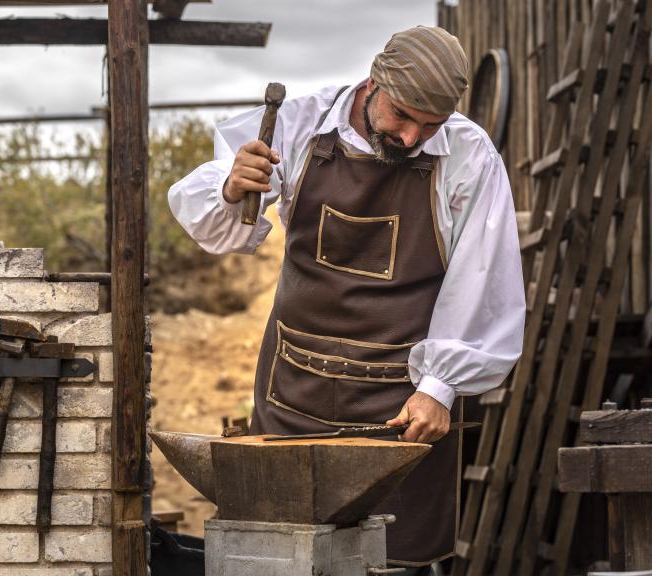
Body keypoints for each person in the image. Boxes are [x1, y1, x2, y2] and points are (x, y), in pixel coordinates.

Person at [168, 26, 525, 570]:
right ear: (372, 83)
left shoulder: (470, 157)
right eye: (401, 116)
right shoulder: (299, 124)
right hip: (295, 388)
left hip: (399, 407)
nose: (410, 138)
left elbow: (483, 283)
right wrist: (230, 186)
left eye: (429, 126)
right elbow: (219, 228)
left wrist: (440, 388)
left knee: (390, 560)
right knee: (281, 553)